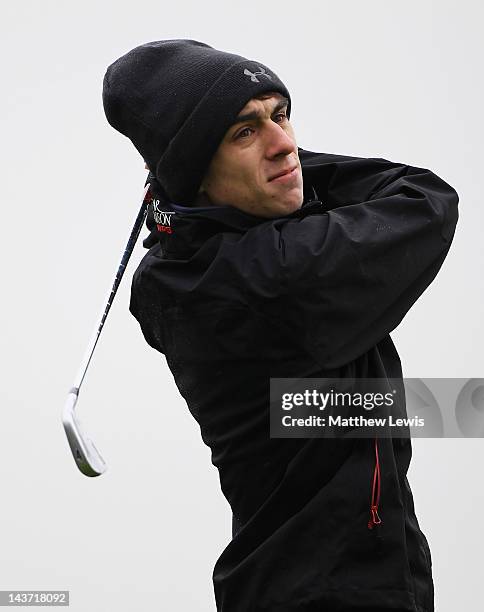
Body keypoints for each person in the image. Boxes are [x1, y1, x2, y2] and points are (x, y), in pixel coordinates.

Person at [102, 39, 459, 612]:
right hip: (327, 595)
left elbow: (344, 410)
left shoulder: (185, 269)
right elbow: (426, 199)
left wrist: (195, 174)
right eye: (246, 132)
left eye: (281, 115)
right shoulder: (271, 274)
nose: (285, 145)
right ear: (194, 170)